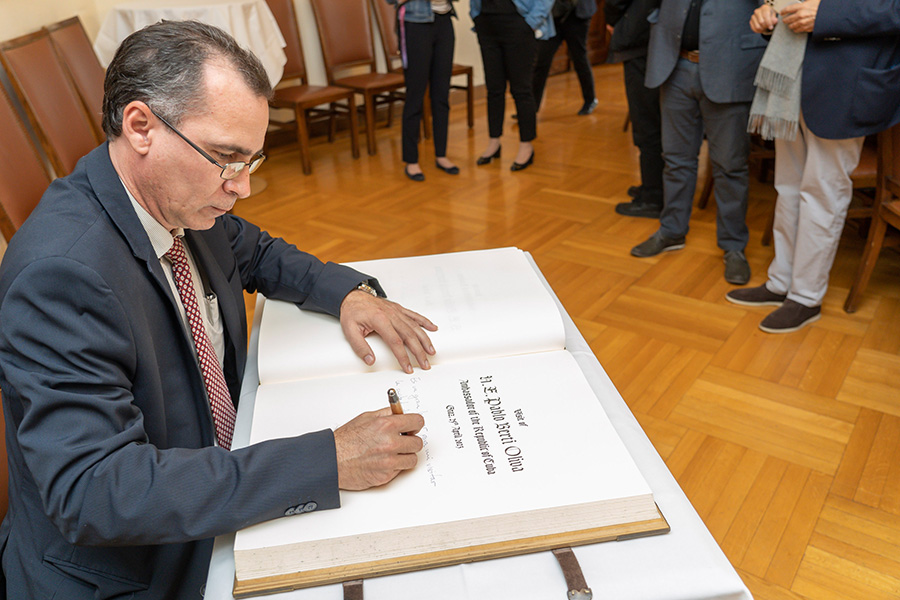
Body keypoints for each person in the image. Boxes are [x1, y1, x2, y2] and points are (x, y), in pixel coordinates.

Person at [0, 21, 439, 598]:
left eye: (251, 160)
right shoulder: (62, 275)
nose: (243, 188)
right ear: (141, 127)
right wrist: (326, 461)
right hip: (137, 572)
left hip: (208, 489)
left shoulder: (174, 199)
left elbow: (251, 248)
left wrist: (346, 294)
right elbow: (95, 490)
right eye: (227, 158)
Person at [727, 0, 900, 333]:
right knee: (788, 187)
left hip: (848, 82)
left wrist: (827, 16)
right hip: (791, 78)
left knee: (823, 190)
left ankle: (806, 297)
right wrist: (768, 13)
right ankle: (780, 282)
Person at [630, 0, 766, 285]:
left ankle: (733, 246)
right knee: (676, 159)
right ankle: (672, 230)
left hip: (730, 64)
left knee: (730, 166)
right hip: (674, 63)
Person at [470, 0, 555, 171]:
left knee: (521, 89)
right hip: (487, 24)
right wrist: (476, 15)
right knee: (494, 89)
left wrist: (531, 22)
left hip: (518, 23)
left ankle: (526, 145)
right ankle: (494, 142)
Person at [387, 0, 460, 182]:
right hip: (416, 24)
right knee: (415, 95)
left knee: (441, 94)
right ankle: (411, 160)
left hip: (444, 21)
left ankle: (441, 155)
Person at [605, 0, 664, 218]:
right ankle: (654, 186)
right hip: (659, 37)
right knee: (655, 121)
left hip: (641, 39)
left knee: (646, 123)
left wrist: (615, 22)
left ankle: (652, 196)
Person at [531, 0, 598, 117]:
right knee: (542, 60)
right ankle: (531, 107)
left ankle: (590, 100)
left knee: (579, 59)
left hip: (577, 15)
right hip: (555, 16)